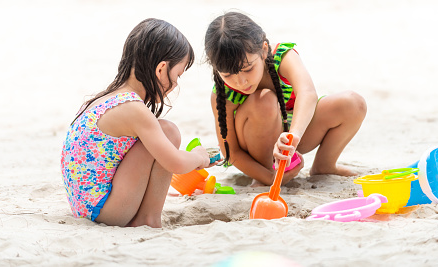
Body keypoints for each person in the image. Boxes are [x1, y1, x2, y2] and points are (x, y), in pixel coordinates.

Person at [61, 18, 214, 228]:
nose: (176, 84)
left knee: (163, 131)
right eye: (177, 75)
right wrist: (199, 157)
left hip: (85, 206)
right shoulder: (133, 108)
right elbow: (176, 163)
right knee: (169, 132)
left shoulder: (105, 99)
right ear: (161, 69)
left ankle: (142, 216)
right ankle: (148, 220)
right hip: (107, 211)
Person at [205, 12, 367, 187]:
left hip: (292, 137)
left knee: (353, 103)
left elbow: (308, 93)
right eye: (228, 75)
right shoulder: (221, 94)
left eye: (248, 69)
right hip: (255, 144)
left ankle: (324, 166)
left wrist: (292, 136)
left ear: (264, 50)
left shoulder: (282, 57)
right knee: (264, 101)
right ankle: (263, 174)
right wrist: (269, 178)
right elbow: (232, 152)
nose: (241, 81)